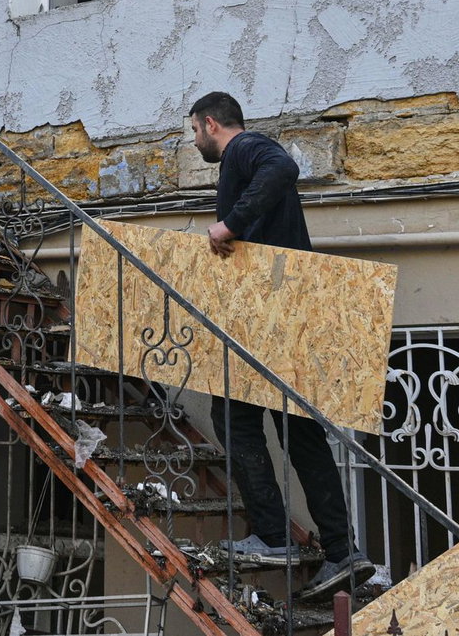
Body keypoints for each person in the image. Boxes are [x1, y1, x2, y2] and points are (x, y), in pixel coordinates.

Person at [187, 90, 376, 601]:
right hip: (285, 313)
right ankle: (341, 550)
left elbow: (283, 168)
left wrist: (230, 223)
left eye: (195, 133)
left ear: (210, 124)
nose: (196, 142)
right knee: (300, 434)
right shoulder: (243, 159)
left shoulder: (246, 149)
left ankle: (275, 537)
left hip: (272, 313)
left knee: (235, 417)